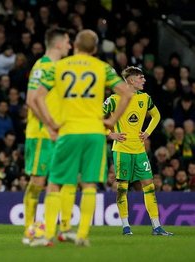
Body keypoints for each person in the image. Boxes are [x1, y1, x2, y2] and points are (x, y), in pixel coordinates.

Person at [32, 30, 132, 247]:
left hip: (68, 132)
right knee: (88, 185)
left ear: (75, 45)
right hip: (95, 133)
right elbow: (127, 93)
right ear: (95, 49)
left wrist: (50, 123)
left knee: (55, 183)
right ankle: (82, 235)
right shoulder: (102, 67)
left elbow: (38, 96)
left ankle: (48, 235)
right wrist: (112, 120)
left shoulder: (59, 67)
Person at [103, 66, 173, 236]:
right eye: (141, 78)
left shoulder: (145, 98)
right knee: (122, 188)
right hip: (122, 150)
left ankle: (157, 226)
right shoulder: (113, 99)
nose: (144, 80)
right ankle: (126, 226)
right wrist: (111, 134)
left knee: (149, 186)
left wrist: (147, 132)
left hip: (139, 150)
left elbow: (156, 116)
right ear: (132, 80)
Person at [22, 28, 73, 245]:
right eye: (68, 42)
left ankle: (59, 228)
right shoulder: (42, 67)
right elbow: (31, 100)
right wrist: (50, 125)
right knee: (38, 181)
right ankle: (30, 230)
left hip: (56, 135)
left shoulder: (58, 68)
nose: (70, 46)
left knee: (60, 182)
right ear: (59, 44)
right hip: (41, 135)